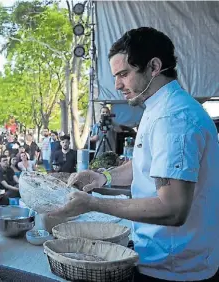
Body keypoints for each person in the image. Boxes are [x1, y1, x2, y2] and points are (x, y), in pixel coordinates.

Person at [49, 27, 219, 282]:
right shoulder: (158, 106)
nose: (117, 85)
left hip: (175, 269)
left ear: (154, 67)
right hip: (160, 256)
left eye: (124, 74)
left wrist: (94, 203)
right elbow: (145, 165)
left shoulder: (173, 117)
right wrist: (102, 177)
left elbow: (172, 209)